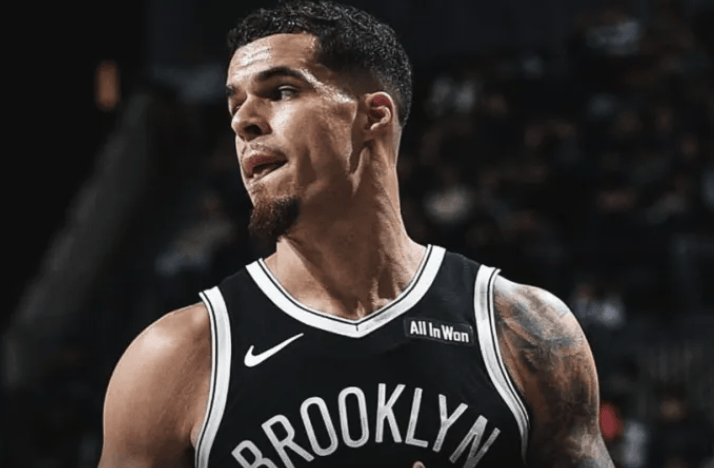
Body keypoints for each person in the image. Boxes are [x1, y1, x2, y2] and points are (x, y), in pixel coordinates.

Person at [98, 2, 615, 467]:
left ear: (373, 116)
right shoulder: (177, 356)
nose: (243, 122)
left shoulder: (523, 330)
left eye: (281, 91)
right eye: (235, 104)